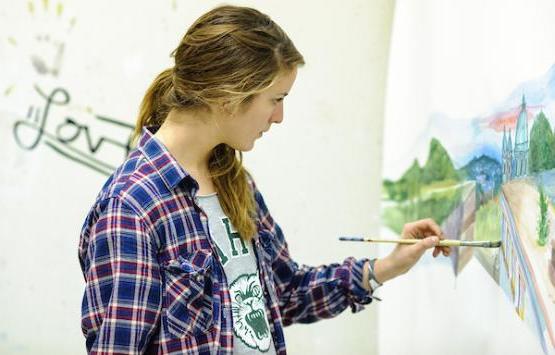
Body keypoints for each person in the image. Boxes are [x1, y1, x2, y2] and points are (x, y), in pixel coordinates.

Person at [78, 5, 451, 354]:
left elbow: (285, 292)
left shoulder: (234, 182)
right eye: (276, 99)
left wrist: (387, 266)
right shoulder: (130, 208)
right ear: (229, 96)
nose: (279, 117)